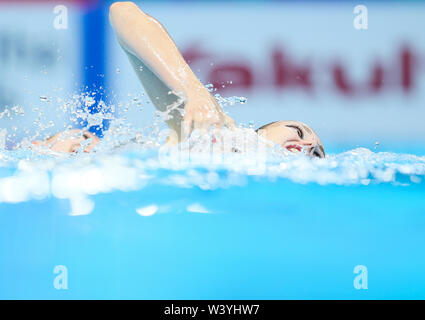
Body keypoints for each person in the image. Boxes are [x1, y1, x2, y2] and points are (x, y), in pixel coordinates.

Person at [35, 1, 325, 158]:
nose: (308, 147)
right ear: (260, 131)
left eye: (318, 156)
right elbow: (122, 12)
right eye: (298, 132)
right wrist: (194, 93)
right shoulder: (215, 131)